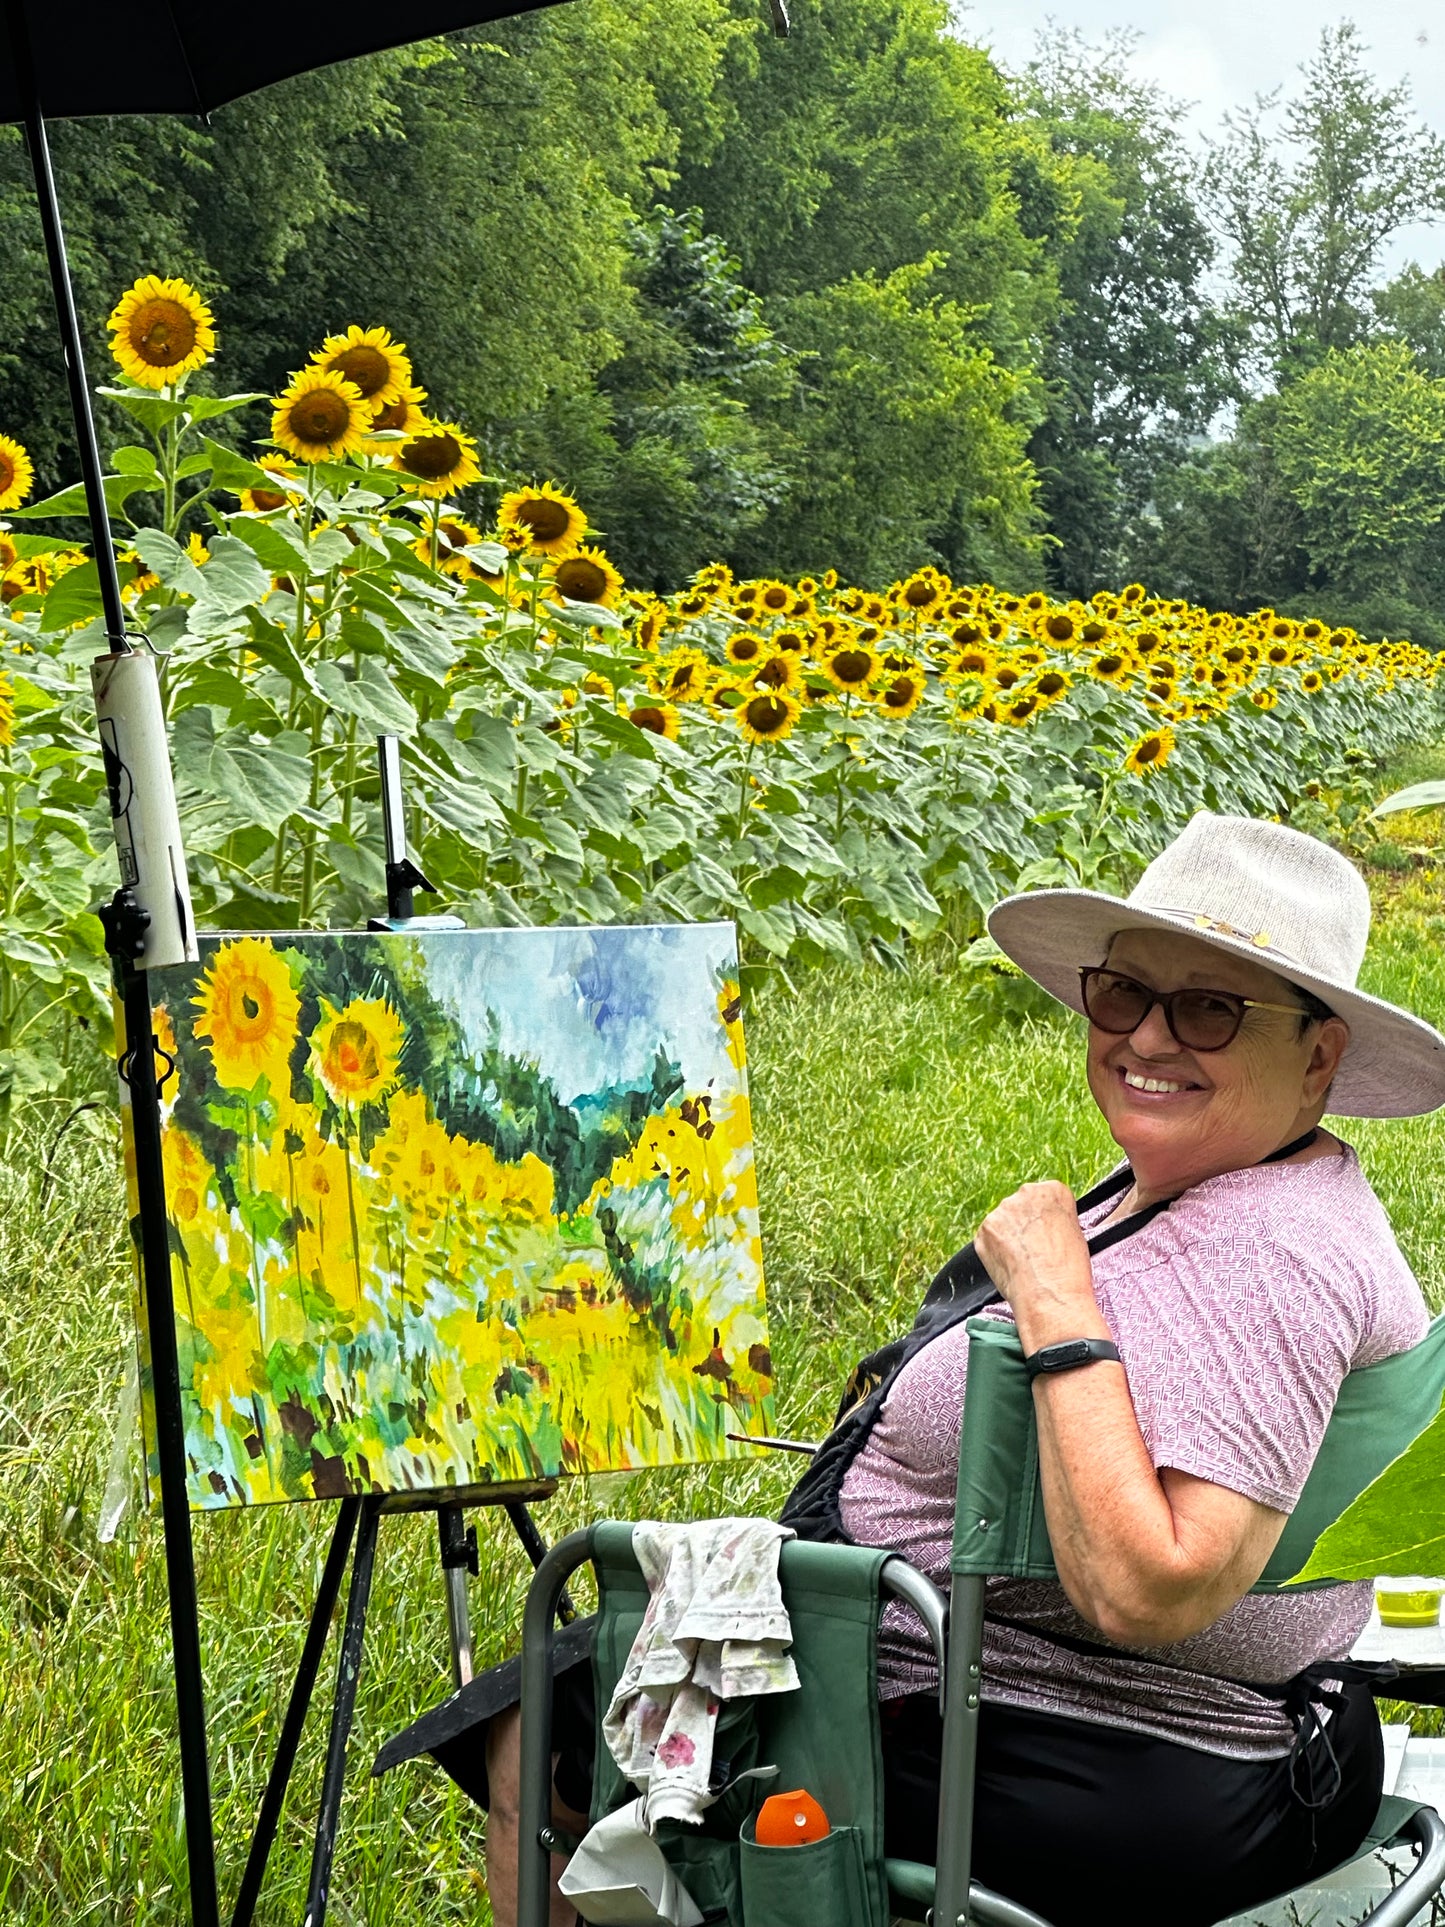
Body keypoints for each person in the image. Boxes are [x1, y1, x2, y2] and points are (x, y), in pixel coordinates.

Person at [830, 810, 1445, 1926]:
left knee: (549, 1710)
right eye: (1123, 993)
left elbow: (1153, 1586)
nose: (1147, 1039)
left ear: (1317, 1054)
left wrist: (1052, 1295)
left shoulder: (1273, 1250)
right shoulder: (1239, 1183)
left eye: (1209, 1009)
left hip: (1102, 1754)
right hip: (1135, 1734)